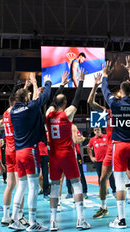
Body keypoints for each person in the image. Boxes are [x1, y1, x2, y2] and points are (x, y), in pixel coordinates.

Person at [102, 57, 130, 228]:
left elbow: (105, 91)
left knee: (120, 184)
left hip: (119, 146)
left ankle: (121, 220)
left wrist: (105, 76)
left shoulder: (115, 104)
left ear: (120, 91)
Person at [46, 68, 90, 231]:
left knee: (55, 187)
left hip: (54, 156)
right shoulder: (67, 114)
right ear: (64, 104)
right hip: (68, 154)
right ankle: (80, 219)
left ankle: (53, 222)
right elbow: (77, 99)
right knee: (77, 185)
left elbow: (51, 103)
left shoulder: (49, 114)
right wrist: (81, 81)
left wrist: (62, 85)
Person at [9, 74, 51, 231]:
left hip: (18, 153)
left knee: (22, 187)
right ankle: (33, 222)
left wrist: (32, 88)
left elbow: (32, 103)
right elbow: (44, 98)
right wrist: (46, 82)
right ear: (26, 99)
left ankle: (14, 220)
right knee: (33, 187)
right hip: (29, 152)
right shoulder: (30, 108)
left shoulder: (13, 111)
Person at [87, 74, 117, 219]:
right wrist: (95, 85)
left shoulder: (126, 111)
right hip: (113, 149)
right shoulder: (107, 112)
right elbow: (90, 102)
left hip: (124, 146)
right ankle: (103, 207)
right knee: (103, 178)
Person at [1, 95, 28, 227]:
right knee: (20, 186)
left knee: (9, 185)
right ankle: (19, 216)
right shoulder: (16, 113)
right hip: (17, 150)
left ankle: (5, 216)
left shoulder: (5, 113)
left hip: (8, 151)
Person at [87, 127, 116, 195]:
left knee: (110, 176)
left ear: (101, 130)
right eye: (95, 130)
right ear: (94, 132)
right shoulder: (92, 140)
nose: (97, 131)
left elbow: (113, 145)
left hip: (107, 160)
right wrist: (91, 157)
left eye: (98, 130)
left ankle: (114, 191)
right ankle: (103, 191)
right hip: (98, 161)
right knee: (100, 177)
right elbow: (88, 148)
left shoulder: (106, 137)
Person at [66, 125, 88, 199]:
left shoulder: (74, 127)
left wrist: (80, 138)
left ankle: (84, 191)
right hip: (67, 154)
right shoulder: (66, 127)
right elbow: (77, 140)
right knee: (68, 174)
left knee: (80, 173)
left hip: (76, 154)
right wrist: (83, 138)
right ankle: (69, 192)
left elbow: (76, 140)